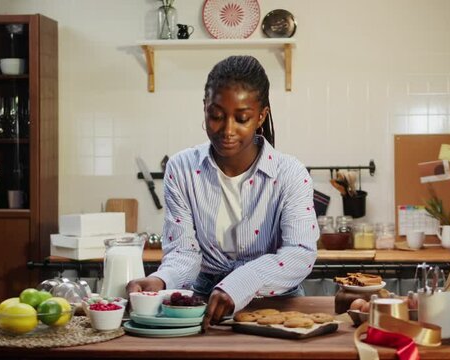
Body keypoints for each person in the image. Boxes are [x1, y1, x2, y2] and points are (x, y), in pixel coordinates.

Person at [127, 55, 318, 328]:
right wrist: (160, 280)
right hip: (202, 306)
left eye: (242, 118)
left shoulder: (290, 173)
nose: (227, 130)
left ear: (261, 116)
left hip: (275, 306)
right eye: (216, 116)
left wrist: (241, 283)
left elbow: (300, 253)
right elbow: (184, 252)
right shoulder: (181, 169)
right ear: (205, 108)